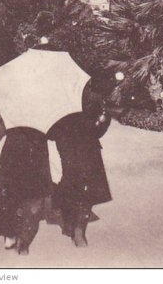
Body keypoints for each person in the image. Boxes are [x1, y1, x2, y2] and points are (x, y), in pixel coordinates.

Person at [47, 84, 112, 247]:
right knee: (74, 182)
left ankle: (77, 229)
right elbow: (51, 132)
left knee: (87, 185)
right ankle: (72, 224)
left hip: (88, 145)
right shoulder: (55, 99)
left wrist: (103, 118)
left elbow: (99, 129)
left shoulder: (93, 98)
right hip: (68, 145)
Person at [0, 115, 54, 255]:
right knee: (33, 196)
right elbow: (52, 130)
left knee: (10, 192)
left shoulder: (11, 98)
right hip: (36, 151)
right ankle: (24, 240)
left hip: (13, 149)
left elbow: (1, 126)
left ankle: (9, 235)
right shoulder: (44, 102)